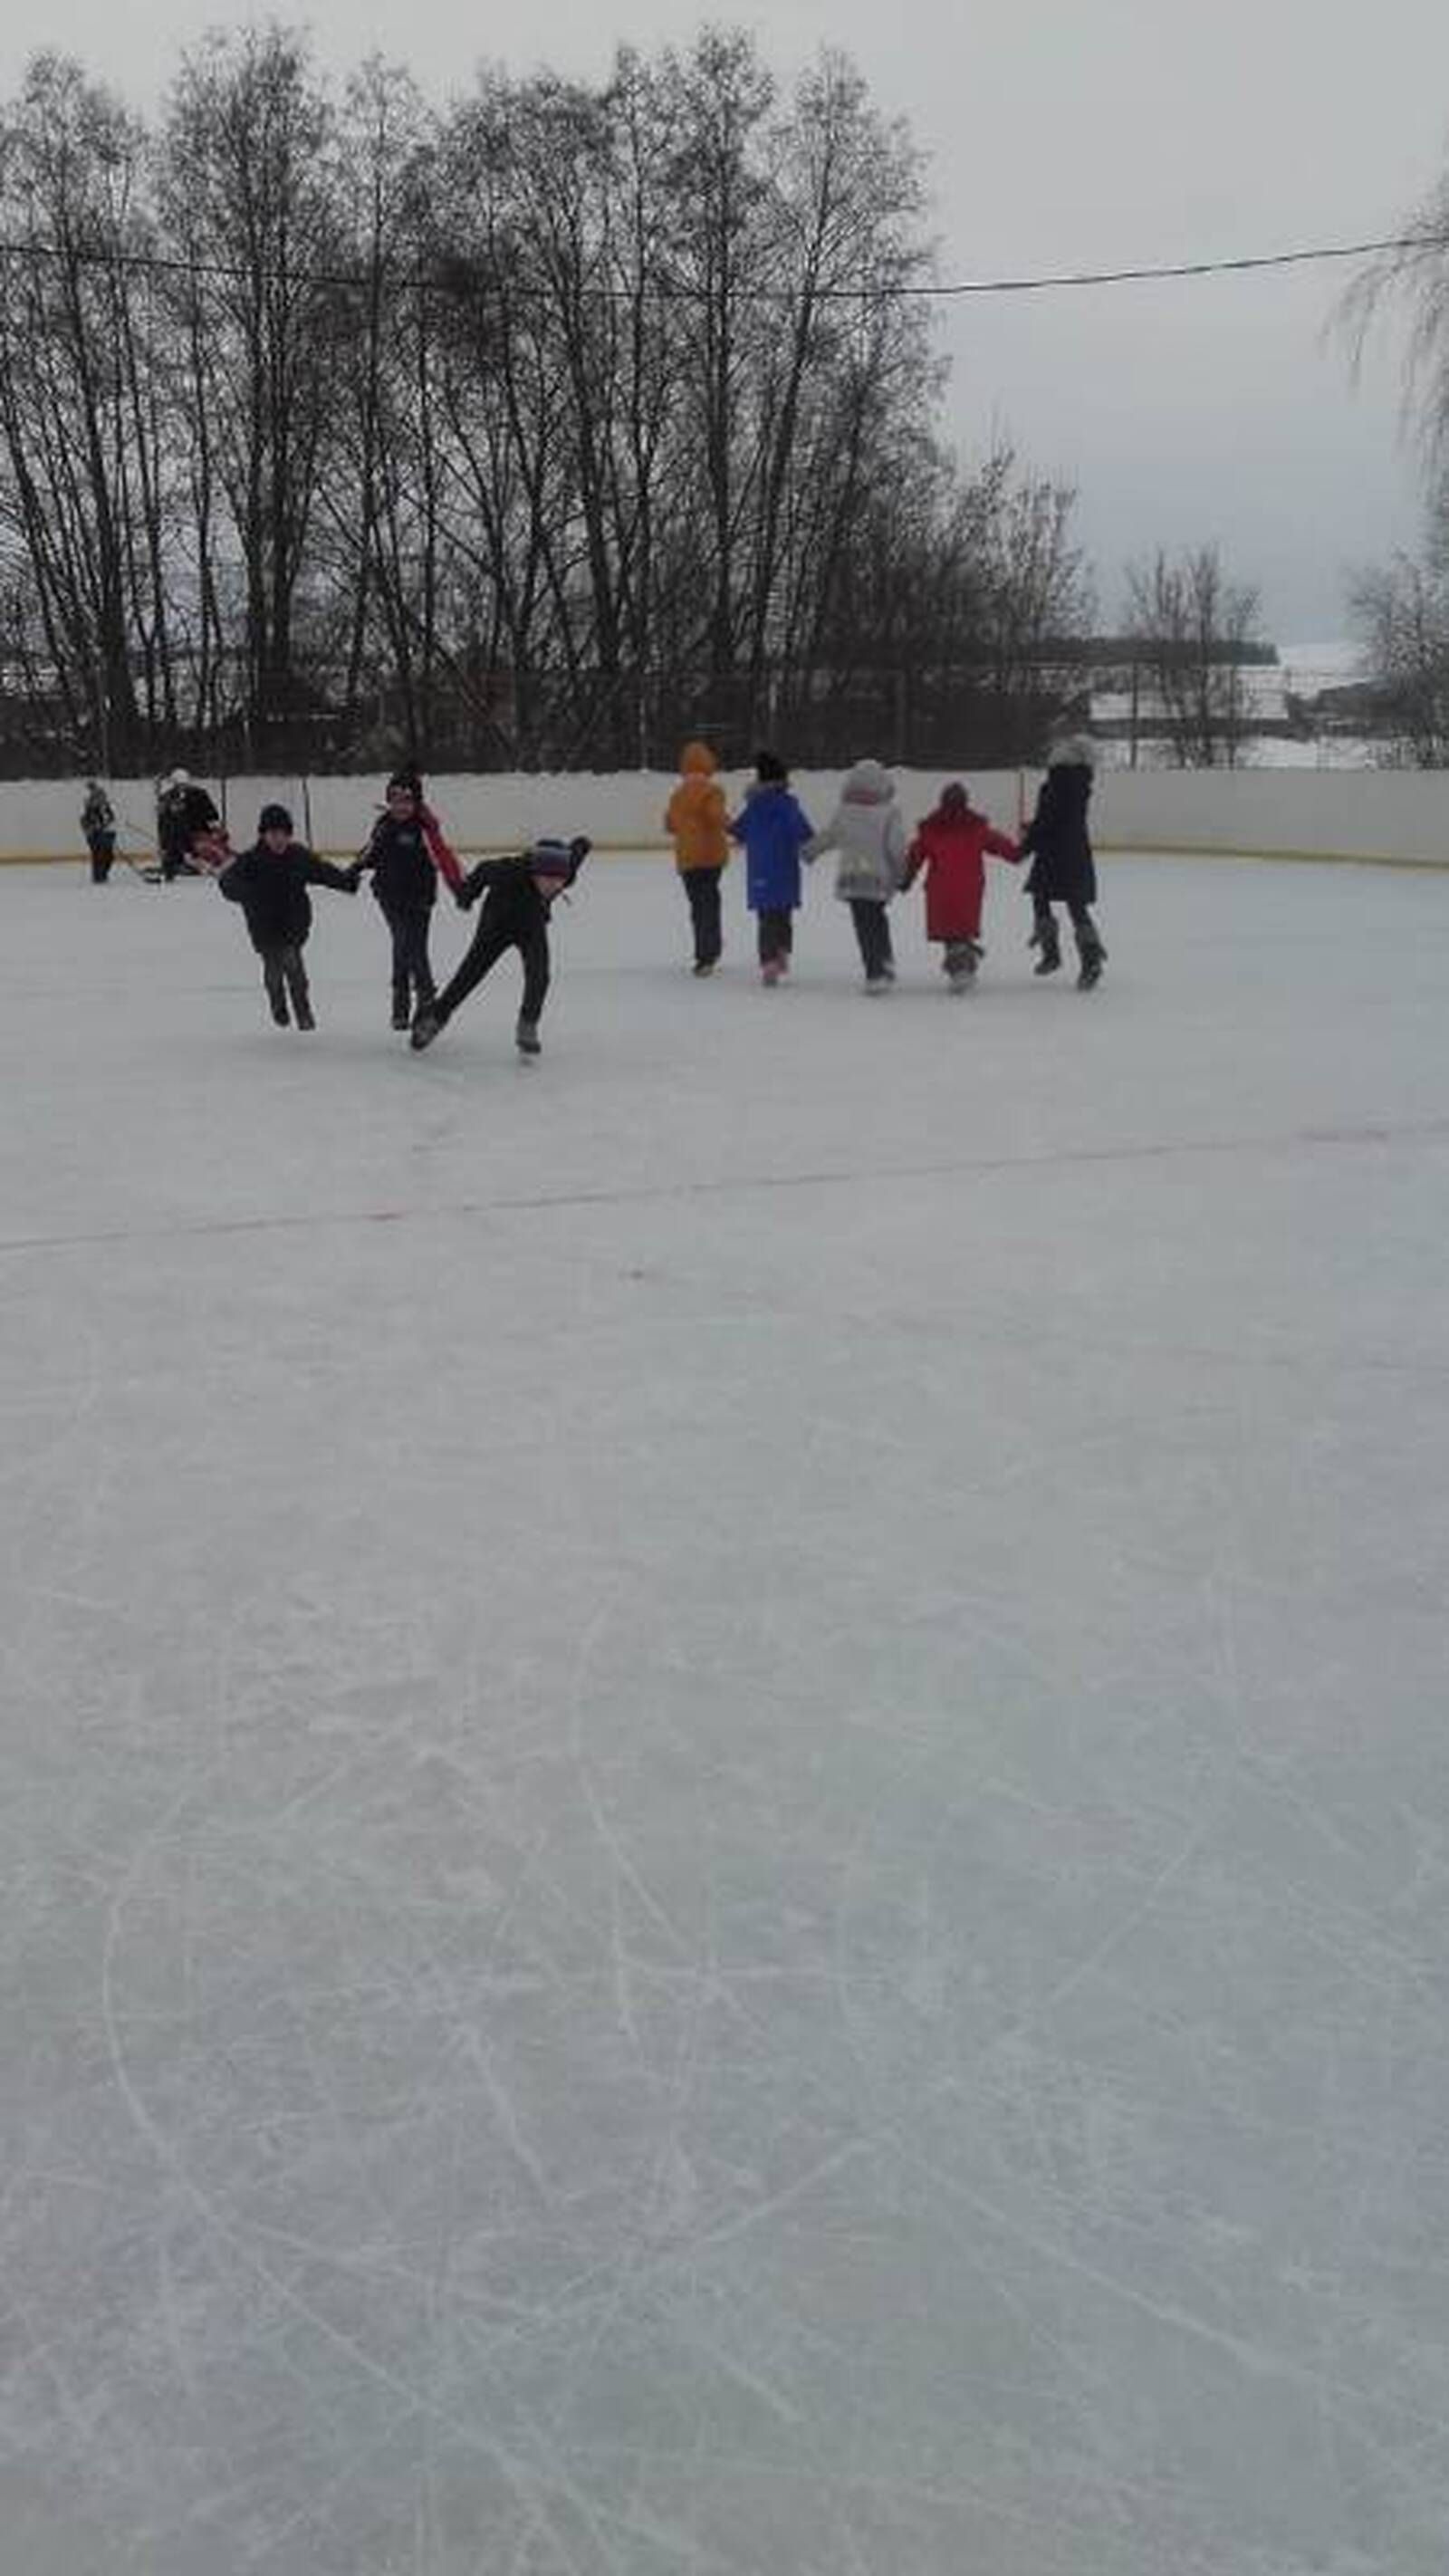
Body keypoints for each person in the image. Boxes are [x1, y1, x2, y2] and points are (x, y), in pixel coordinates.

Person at [410, 836, 590, 1059]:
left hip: (531, 927)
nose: (554, 885)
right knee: (469, 976)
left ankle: (528, 1025)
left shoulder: (565, 872)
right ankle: (434, 1019)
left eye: (559, 880)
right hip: (495, 926)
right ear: (535, 871)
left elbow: (574, 858)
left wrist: (581, 846)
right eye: (548, 879)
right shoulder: (510, 870)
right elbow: (484, 869)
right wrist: (469, 893)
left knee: (539, 975)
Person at [217, 803, 359, 1030]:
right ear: (263, 835)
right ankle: (277, 1003)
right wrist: (247, 894)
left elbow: (322, 871)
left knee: (295, 971)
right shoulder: (251, 860)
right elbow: (227, 882)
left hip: (293, 925)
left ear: (289, 834)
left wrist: (346, 882)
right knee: (274, 972)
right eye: (272, 834)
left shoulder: (298, 856)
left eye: (282, 834)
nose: (278, 839)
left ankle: (303, 1012)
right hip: (264, 927)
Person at [353, 769, 464, 1027]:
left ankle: (420, 1000)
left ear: (416, 803)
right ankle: (411, 999)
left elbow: (444, 857)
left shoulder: (424, 829)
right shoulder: (384, 825)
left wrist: (459, 887)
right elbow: (370, 852)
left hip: (419, 898)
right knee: (406, 942)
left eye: (406, 801)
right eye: (395, 800)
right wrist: (353, 871)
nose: (400, 807)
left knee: (411, 946)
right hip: (389, 897)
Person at [901, 783, 1022, 989]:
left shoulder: (931, 830)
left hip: (940, 889)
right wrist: (1023, 848)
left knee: (949, 931)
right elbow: (1007, 850)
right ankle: (964, 960)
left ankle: (960, 967)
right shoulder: (977, 829)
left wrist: (905, 880)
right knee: (962, 928)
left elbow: (915, 856)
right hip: (970, 889)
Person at [1019, 714, 1107, 988]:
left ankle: (1051, 953)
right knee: (1076, 905)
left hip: (1052, 853)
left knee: (1040, 897)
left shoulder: (1054, 787)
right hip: (1076, 851)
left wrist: (1025, 845)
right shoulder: (1081, 785)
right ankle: (1091, 957)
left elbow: (1046, 821)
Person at [804, 756, 907, 992]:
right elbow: (896, 848)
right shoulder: (889, 813)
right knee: (877, 919)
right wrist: (901, 874)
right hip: (878, 878)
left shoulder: (844, 812)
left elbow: (830, 836)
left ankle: (876, 970)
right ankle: (883, 962)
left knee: (864, 924)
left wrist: (809, 851)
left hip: (853, 877)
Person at [727, 752, 814, 985]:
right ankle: (783, 951)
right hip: (786, 872)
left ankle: (769, 962)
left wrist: (727, 822)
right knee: (783, 915)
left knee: (766, 918)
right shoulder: (788, 806)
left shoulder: (754, 807)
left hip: (761, 873)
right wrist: (810, 849)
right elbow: (805, 832)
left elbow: (737, 830)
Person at [665, 740, 730, 975]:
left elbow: (669, 825)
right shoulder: (713, 790)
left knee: (698, 905)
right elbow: (715, 816)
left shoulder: (678, 794)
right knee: (710, 902)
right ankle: (708, 953)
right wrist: (731, 826)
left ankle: (704, 950)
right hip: (711, 856)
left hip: (687, 859)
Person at [156, 769, 220, 880]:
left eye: (183, 784)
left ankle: (195, 864)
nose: (182, 787)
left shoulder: (200, 794)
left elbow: (211, 813)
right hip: (177, 833)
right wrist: (163, 842)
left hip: (196, 832)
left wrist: (213, 827)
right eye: (179, 785)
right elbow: (163, 820)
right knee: (174, 848)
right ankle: (173, 867)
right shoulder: (167, 797)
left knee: (196, 848)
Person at [81, 780, 117, 884]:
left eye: (102, 796)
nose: (102, 798)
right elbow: (85, 821)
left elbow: (111, 817)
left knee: (109, 856)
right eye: (99, 796)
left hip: (106, 833)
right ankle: (98, 876)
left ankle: (103, 874)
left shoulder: (105, 807)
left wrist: (108, 824)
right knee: (98, 855)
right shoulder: (89, 809)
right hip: (95, 835)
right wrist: (92, 828)